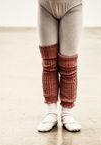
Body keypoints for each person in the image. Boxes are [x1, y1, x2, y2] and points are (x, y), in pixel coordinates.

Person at [37, 0, 83, 132]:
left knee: (68, 66)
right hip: (46, 6)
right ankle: (50, 113)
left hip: (72, 7)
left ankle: (67, 114)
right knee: (48, 63)